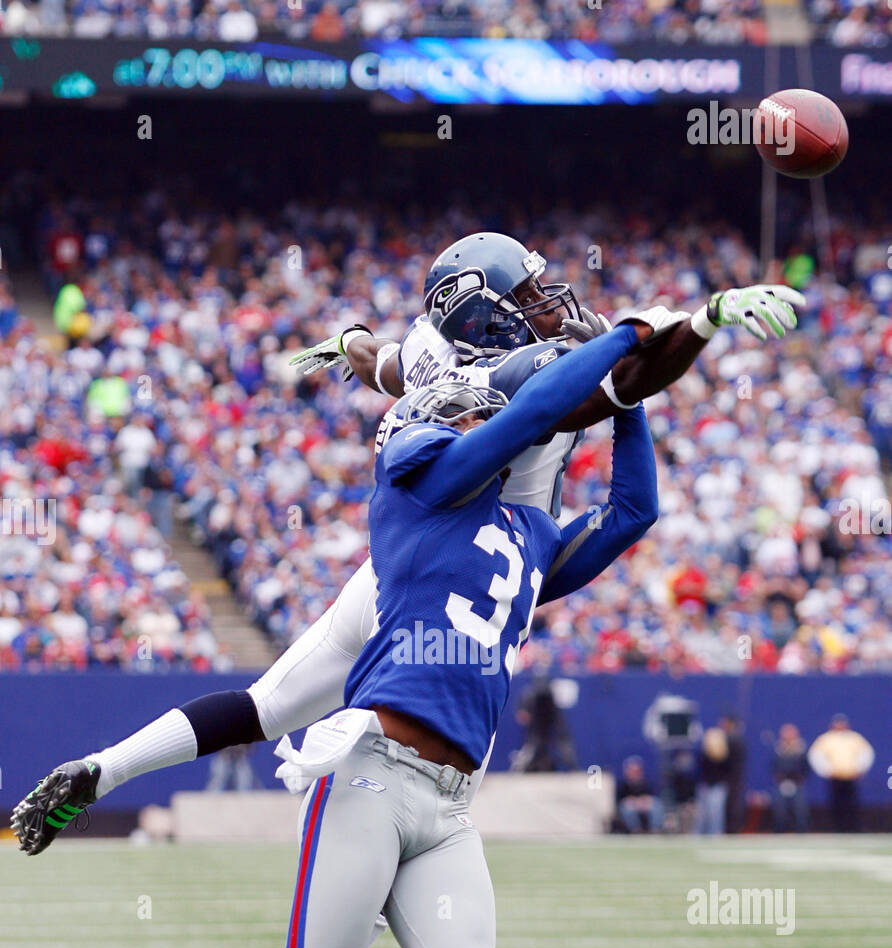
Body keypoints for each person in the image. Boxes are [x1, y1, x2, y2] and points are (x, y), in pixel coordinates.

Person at [12, 231, 804, 851]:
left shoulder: (430, 352)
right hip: (472, 575)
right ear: (484, 308)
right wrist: (704, 318)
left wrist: (347, 338)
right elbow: (621, 382)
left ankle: (103, 768)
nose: (553, 301)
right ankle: (335, 940)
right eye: (528, 292)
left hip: (391, 570)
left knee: (264, 707)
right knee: (430, 800)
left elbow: (374, 359)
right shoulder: (525, 367)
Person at [165, 323, 658, 948]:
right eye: (475, 411)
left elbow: (632, 511)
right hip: (373, 773)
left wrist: (630, 404)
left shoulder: (523, 533)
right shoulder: (417, 484)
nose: (488, 421)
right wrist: (630, 338)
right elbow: (539, 409)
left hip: (449, 801)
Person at [808, 715, 874, 833]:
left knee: (852, 803)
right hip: (835, 777)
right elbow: (816, 755)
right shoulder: (826, 739)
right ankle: (838, 828)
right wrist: (826, 770)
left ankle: (853, 828)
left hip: (850, 776)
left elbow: (866, 753)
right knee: (836, 803)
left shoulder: (854, 738)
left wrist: (860, 769)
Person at [513, 671, 578, 772]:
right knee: (532, 744)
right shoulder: (530, 694)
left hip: (551, 720)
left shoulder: (552, 696)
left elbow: (557, 718)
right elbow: (523, 716)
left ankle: (573, 767)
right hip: (537, 724)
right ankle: (520, 768)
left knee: (562, 741)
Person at [771, 723, 809, 832]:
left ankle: (802, 832)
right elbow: (773, 765)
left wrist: (800, 777)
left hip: (797, 783)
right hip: (782, 783)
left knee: (800, 810)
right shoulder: (778, 748)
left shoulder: (801, 748)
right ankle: (779, 831)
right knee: (780, 810)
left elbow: (805, 766)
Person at [694, 726, 730, 835]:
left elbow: (725, 773)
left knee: (716, 814)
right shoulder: (704, 755)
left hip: (717, 787)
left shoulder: (724, 756)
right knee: (702, 814)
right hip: (705, 786)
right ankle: (699, 834)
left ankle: (715, 834)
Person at [615, 756, 662, 833]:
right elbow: (620, 800)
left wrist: (644, 801)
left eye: (636, 771)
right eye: (632, 770)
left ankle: (655, 830)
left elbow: (651, 796)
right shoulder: (623, 784)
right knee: (627, 809)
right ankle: (636, 830)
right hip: (631, 806)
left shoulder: (645, 783)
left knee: (657, 806)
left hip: (644, 805)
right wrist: (633, 801)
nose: (634, 773)